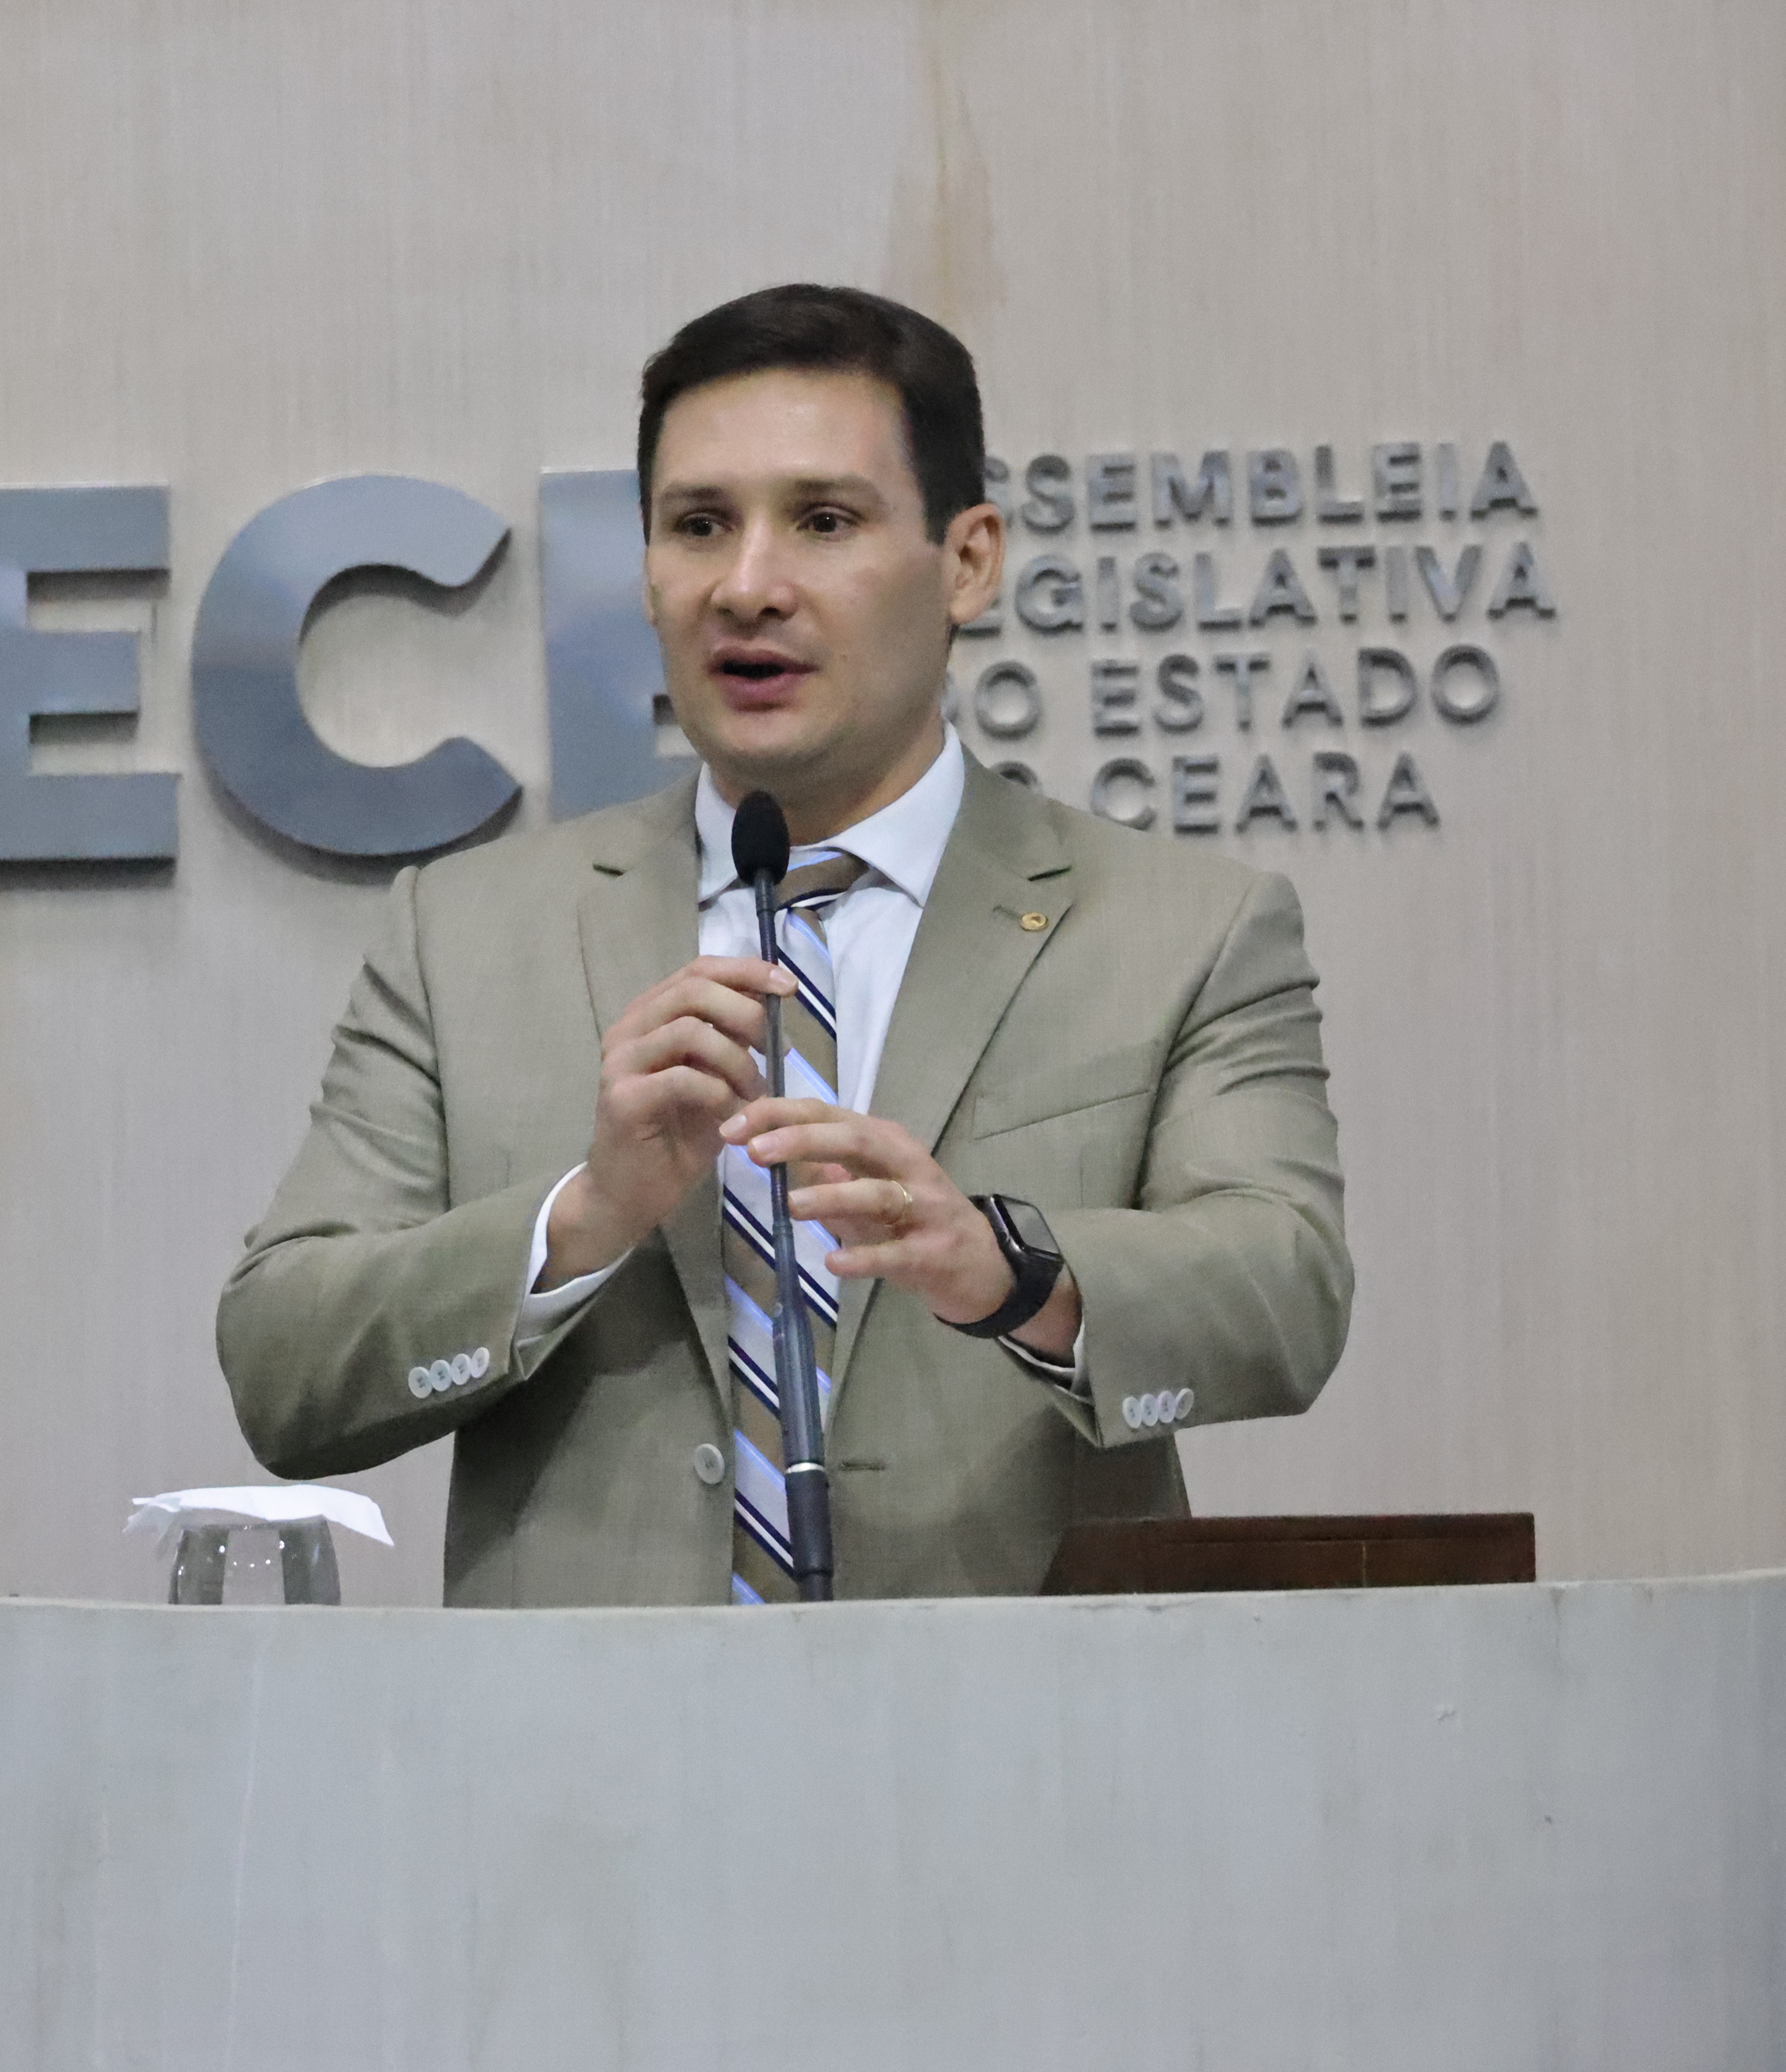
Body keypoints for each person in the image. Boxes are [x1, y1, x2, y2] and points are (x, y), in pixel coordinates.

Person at [216, 283, 1350, 1603]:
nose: (748, 587)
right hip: (584, 1730)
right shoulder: (463, 935)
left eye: (823, 521)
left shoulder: (1182, 927)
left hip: (1020, 1718)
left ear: (968, 560)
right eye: (699, 525)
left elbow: (1286, 1296)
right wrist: (580, 1221)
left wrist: (1012, 1270)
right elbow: (283, 1364)